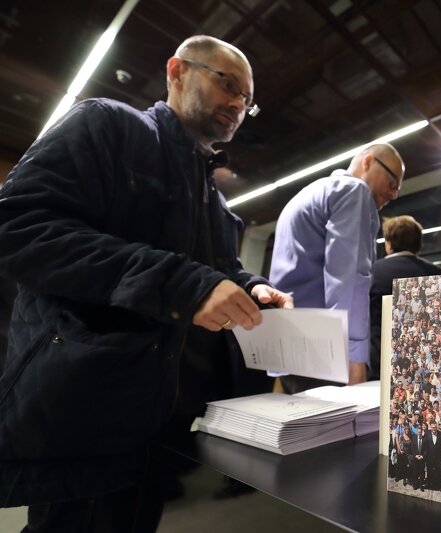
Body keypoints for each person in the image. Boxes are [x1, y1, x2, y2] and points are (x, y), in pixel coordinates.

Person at [0, 35, 294, 529]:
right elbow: (18, 227)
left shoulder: (216, 202)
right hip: (90, 410)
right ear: (176, 70)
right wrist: (183, 284)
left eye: (247, 99)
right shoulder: (107, 126)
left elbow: (217, 272)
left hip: (167, 423)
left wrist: (250, 288)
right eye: (227, 84)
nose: (238, 104)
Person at [270, 143, 405, 388]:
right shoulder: (354, 191)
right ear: (368, 162)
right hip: (323, 351)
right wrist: (353, 358)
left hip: (287, 344)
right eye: (392, 182)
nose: (394, 194)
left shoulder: (307, 194)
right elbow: (349, 278)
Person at [368, 215, 441, 380]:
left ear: (389, 243)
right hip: (425, 363)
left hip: (380, 362)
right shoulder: (437, 274)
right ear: (418, 244)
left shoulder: (373, 272)